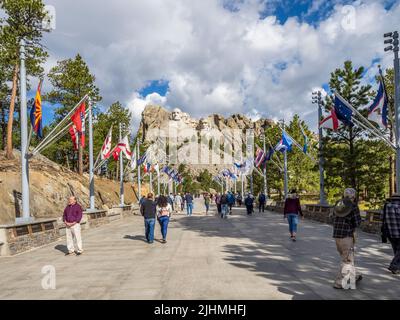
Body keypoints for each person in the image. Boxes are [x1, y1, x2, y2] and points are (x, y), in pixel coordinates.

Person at [332, 188, 362, 289]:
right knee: (347, 260)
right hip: (347, 236)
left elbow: (332, 217)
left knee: (346, 256)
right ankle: (339, 283)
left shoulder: (338, 204)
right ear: (353, 196)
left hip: (336, 236)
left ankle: (354, 276)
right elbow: (357, 222)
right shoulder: (353, 206)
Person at [382, 194, 400, 274]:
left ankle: (396, 269)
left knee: (396, 250)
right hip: (398, 232)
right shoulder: (398, 207)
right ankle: (393, 265)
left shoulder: (386, 207)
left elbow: (381, 218)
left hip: (389, 233)